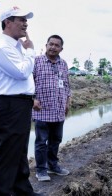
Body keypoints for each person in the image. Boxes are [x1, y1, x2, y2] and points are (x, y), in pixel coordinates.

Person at [0, 6, 40, 195]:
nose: (25, 23)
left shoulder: (18, 47)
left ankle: (22, 190)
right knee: (6, 154)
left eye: (26, 20)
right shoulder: (2, 47)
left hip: (20, 103)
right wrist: (31, 52)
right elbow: (21, 72)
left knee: (19, 151)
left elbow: (23, 79)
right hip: (9, 106)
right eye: (21, 19)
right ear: (7, 23)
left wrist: (30, 98)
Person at [32, 34, 71, 182]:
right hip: (42, 109)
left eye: (57, 45)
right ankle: (41, 170)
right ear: (46, 45)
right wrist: (33, 98)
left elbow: (67, 84)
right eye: (51, 44)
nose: (53, 47)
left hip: (59, 109)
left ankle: (53, 165)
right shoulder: (37, 61)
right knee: (41, 141)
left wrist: (68, 102)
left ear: (61, 48)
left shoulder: (63, 64)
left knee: (56, 140)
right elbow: (29, 82)